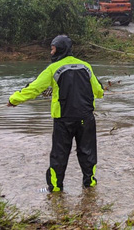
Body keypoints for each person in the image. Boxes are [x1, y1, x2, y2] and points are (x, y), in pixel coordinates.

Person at [7, 35, 104, 192]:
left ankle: (55, 188)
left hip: (63, 120)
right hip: (86, 118)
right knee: (88, 152)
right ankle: (90, 184)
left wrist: (14, 100)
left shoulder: (53, 69)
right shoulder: (86, 66)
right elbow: (98, 90)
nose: (51, 52)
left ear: (60, 49)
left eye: (52, 49)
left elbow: (34, 88)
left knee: (59, 154)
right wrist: (100, 94)